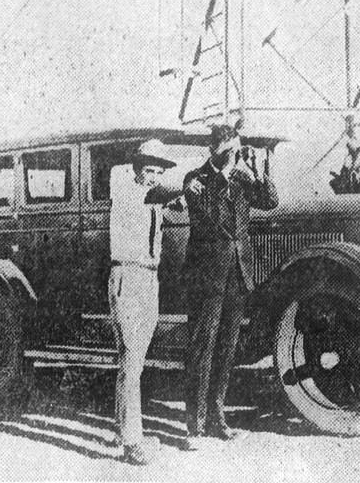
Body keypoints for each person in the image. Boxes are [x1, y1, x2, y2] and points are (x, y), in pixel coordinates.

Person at [182, 123, 279, 450]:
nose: (234, 156)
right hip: (207, 277)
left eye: (237, 150)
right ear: (213, 151)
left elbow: (270, 201)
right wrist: (225, 173)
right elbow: (210, 218)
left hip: (238, 275)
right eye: (229, 151)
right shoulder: (196, 181)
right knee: (202, 349)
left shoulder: (241, 178)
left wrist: (258, 168)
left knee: (226, 350)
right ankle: (194, 428)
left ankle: (216, 417)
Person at [108, 138, 179, 465]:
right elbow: (155, 194)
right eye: (148, 170)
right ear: (137, 169)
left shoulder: (155, 197)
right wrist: (187, 185)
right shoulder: (128, 190)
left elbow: (163, 199)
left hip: (149, 279)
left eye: (158, 171)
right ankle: (131, 441)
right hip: (128, 277)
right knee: (132, 361)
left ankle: (123, 426)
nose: (153, 176)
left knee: (134, 360)